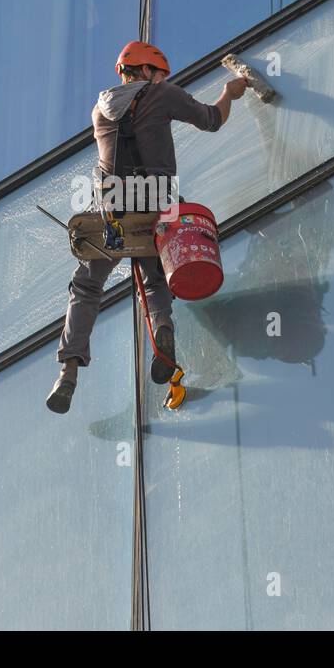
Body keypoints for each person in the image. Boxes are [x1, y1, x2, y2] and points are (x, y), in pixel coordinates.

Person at [46, 40, 248, 413]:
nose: (161, 79)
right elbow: (212, 120)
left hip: (112, 210)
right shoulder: (162, 94)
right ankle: (163, 331)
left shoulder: (99, 110)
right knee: (155, 276)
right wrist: (229, 92)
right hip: (157, 203)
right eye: (158, 73)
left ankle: (68, 371)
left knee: (87, 286)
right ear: (146, 71)